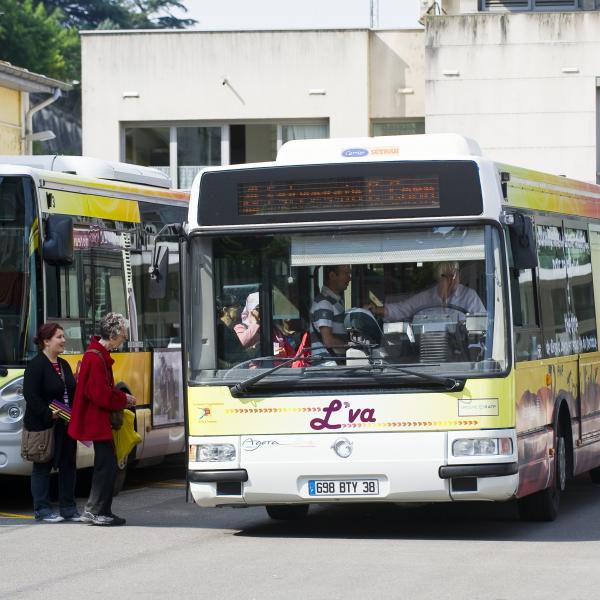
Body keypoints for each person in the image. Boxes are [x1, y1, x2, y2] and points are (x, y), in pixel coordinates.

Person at [68, 313, 136, 526]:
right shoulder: (96, 357)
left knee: (107, 465)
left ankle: (102, 510)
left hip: (98, 419)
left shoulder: (95, 354)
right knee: (105, 466)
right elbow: (98, 393)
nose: (124, 339)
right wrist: (122, 398)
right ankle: (95, 510)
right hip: (97, 419)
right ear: (114, 334)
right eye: (123, 334)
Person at [23, 323, 79, 523]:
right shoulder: (36, 365)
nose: (64, 341)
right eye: (59, 337)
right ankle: (42, 509)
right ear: (46, 341)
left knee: (68, 465)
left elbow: (69, 391)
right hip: (44, 425)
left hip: (65, 422)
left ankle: (69, 509)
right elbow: (30, 395)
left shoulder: (63, 364)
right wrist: (49, 413)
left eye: (63, 336)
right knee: (42, 466)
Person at [371, 261, 485, 322]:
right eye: (447, 276)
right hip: (427, 353)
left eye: (455, 274)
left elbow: (483, 324)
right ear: (438, 277)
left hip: (461, 357)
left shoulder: (469, 296)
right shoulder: (425, 298)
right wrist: (376, 310)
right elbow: (401, 309)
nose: (452, 280)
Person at [310, 265, 352, 361]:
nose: (349, 278)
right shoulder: (324, 304)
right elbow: (328, 341)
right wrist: (353, 347)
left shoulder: (336, 301)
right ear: (332, 276)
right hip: (328, 367)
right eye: (346, 273)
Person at [216, 294, 250, 367]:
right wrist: (229, 366)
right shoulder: (218, 329)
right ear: (225, 310)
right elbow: (213, 356)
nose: (240, 309)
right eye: (236, 306)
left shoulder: (229, 328)